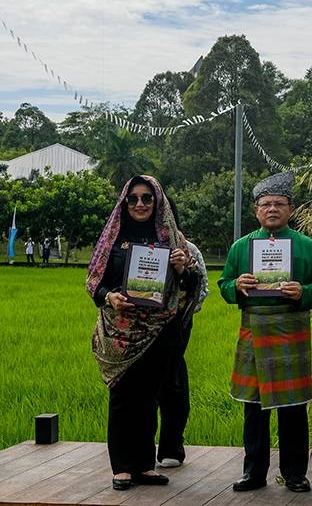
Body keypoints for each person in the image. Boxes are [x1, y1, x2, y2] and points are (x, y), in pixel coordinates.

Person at [86, 175, 200, 491]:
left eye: (146, 198)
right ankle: (122, 467)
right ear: (125, 202)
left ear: (157, 202)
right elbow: (94, 282)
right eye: (133, 198)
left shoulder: (171, 238)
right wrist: (109, 297)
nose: (140, 204)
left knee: (150, 397)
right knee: (123, 397)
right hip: (122, 333)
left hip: (161, 331)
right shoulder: (113, 237)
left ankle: (144, 466)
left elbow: (191, 286)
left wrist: (181, 268)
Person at [218, 171, 312, 494]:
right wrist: (236, 286)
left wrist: (303, 291)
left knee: (293, 409)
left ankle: (295, 473)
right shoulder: (241, 247)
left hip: (290, 331)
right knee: (253, 409)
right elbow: (224, 284)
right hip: (253, 331)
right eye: (265, 204)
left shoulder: (306, 246)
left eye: (279, 204)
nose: (272, 209)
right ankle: (253, 472)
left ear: (290, 209)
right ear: (256, 210)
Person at [156, 198, 209, 468]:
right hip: (132, 331)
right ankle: (135, 452)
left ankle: (171, 447)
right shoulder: (125, 244)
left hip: (175, 328)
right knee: (137, 392)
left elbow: (199, 291)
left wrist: (182, 269)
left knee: (173, 385)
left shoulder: (187, 249)